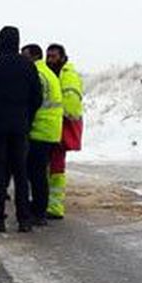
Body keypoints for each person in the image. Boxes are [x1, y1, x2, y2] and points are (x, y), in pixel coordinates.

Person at [0, 26, 43, 232]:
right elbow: (37, 98)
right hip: (20, 127)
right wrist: (27, 118)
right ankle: (24, 219)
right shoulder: (28, 66)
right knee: (21, 172)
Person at [23, 44, 63, 226]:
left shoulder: (37, 74)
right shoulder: (48, 73)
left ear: (33, 56)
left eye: (25, 56)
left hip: (40, 129)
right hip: (50, 130)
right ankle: (38, 208)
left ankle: (38, 212)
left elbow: (32, 102)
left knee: (37, 173)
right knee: (39, 172)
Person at [45, 44, 84, 219]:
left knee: (56, 167)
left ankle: (54, 206)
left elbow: (71, 105)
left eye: (53, 56)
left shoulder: (67, 75)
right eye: (48, 56)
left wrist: (60, 120)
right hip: (53, 126)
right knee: (51, 166)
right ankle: (49, 202)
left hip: (60, 127)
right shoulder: (56, 73)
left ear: (62, 57)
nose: (50, 59)